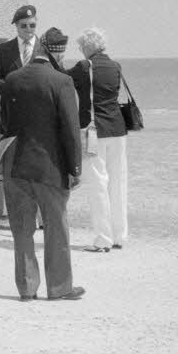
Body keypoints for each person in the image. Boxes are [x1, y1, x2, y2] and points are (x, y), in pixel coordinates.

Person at [0, 27, 86, 300]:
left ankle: (27, 288)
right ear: (57, 53)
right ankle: (59, 287)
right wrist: (75, 169)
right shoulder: (61, 82)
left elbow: (4, 124)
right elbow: (70, 130)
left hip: (16, 164)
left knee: (22, 230)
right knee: (56, 228)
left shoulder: (12, 79)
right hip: (51, 166)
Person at [69, 27, 129, 252]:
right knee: (118, 182)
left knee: (97, 183)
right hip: (118, 130)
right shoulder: (116, 66)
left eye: (81, 46)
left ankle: (103, 239)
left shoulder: (85, 67)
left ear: (88, 46)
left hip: (93, 131)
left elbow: (61, 79)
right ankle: (119, 236)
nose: (80, 50)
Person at [0, 4, 38, 229]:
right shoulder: (4, 50)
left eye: (32, 25)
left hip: (40, 120)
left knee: (39, 169)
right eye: (24, 25)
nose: (29, 29)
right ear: (16, 26)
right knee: (13, 169)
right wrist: (13, 87)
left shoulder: (43, 48)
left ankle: (40, 218)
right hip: (12, 119)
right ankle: (16, 216)